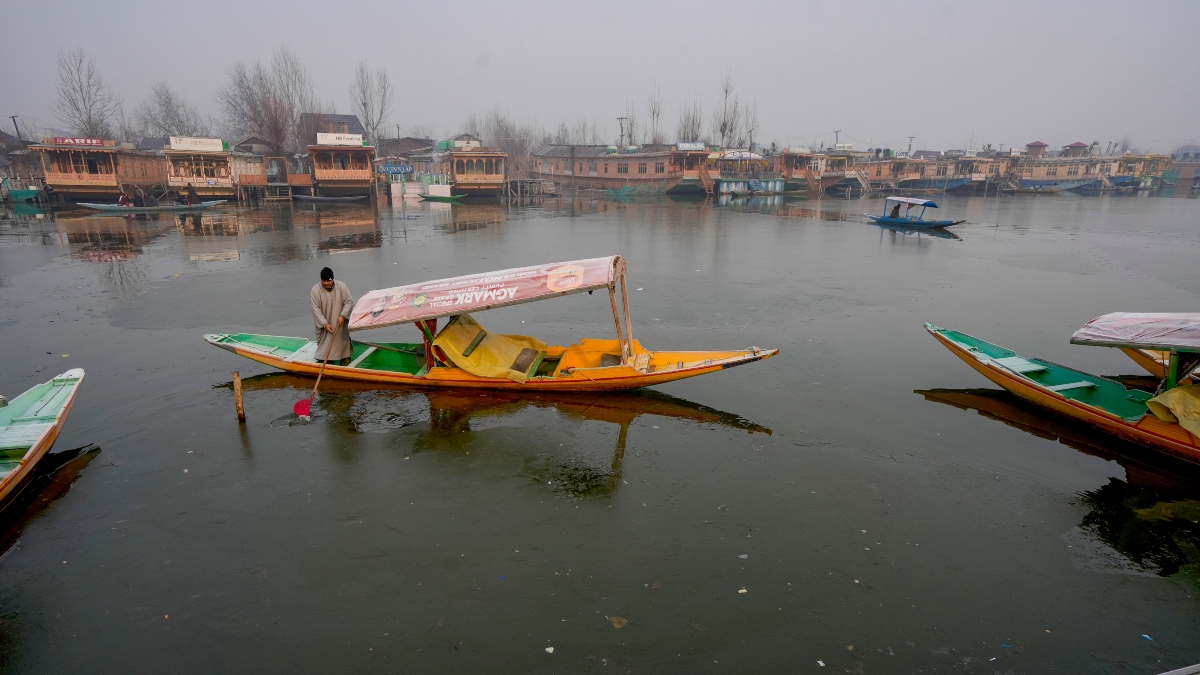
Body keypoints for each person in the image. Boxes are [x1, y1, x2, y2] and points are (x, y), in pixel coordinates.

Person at [311, 267, 354, 366]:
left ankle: (345, 364)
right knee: (326, 347)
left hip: (340, 324)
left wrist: (343, 315)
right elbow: (315, 309)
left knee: (343, 346)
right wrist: (325, 324)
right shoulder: (315, 290)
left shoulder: (341, 286)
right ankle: (327, 363)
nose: (326, 283)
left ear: (332, 279)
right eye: (323, 281)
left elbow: (349, 302)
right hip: (326, 326)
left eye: (328, 281)